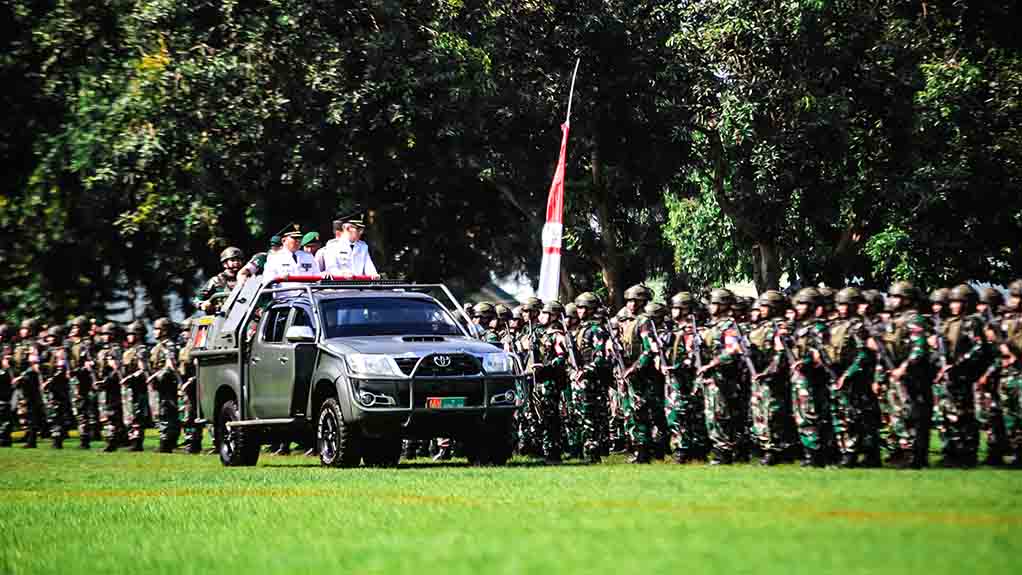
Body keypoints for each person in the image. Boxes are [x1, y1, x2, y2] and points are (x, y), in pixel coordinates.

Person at [149, 318, 180, 453]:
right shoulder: (157, 347)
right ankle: (164, 439)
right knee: (160, 413)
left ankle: (167, 443)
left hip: (168, 385)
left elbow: (170, 366)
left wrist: (157, 376)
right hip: (158, 386)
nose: (155, 332)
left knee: (167, 413)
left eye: (157, 329)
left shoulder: (169, 346)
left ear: (165, 330)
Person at [263, 224, 321, 295]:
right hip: (285, 300)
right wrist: (279, 278)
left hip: (307, 299)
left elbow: (317, 277)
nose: (298, 241)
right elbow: (267, 280)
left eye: (300, 238)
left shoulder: (308, 256)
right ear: (284, 240)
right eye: (294, 238)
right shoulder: (274, 258)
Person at [121, 321, 151, 452]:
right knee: (129, 415)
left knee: (136, 415)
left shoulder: (141, 350)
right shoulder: (128, 351)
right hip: (128, 389)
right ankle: (131, 439)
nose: (128, 336)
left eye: (131, 334)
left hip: (137, 389)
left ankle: (137, 442)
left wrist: (131, 377)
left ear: (138, 335)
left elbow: (143, 370)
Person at [319, 212, 379, 278]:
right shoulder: (333, 246)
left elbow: (369, 266)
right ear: (347, 228)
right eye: (358, 229)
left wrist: (373, 274)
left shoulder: (363, 246)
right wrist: (342, 274)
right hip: (341, 286)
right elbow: (331, 268)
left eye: (362, 229)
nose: (361, 232)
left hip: (359, 285)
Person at [196, 247, 245, 313]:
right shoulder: (216, 280)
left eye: (239, 260)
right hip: (223, 316)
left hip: (245, 313)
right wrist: (203, 305)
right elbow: (197, 300)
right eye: (232, 260)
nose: (236, 262)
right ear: (224, 264)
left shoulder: (248, 278)